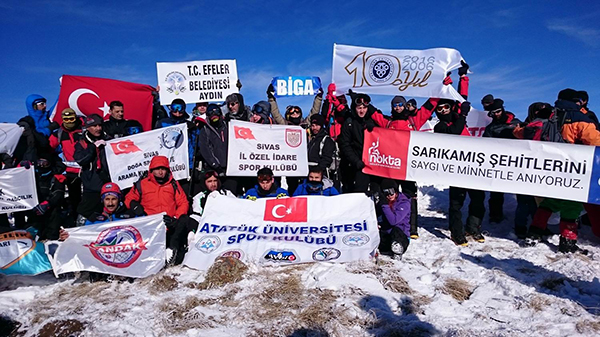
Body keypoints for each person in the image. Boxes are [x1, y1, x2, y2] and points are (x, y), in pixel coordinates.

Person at [513, 102, 586, 254]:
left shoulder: (539, 122)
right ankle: (567, 241)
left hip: (545, 169)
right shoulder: (557, 121)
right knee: (572, 204)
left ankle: (534, 233)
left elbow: (522, 134)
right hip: (565, 168)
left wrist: (517, 129)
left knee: (551, 202)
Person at [124, 156, 190, 264]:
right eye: (157, 169)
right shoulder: (142, 184)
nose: (160, 172)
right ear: (151, 170)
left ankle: (172, 249)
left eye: (163, 169)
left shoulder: (173, 184)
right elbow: (128, 199)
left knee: (184, 220)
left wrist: (175, 218)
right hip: (150, 225)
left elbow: (183, 202)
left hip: (170, 224)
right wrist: (135, 206)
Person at [482, 98, 522, 223]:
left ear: (503, 109)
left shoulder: (516, 123)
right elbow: (484, 144)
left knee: (522, 191)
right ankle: (495, 215)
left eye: (498, 111)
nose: (497, 114)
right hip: (499, 162)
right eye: (493, 112)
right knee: (496, 191)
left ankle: (523, 219)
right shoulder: (491, 127)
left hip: (517, 161)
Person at [338, 92, 379, 193]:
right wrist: (356, 161)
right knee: (359, 191)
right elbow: (345, 144)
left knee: (377, 191)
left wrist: (374, 128)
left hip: (375, 162)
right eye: (359, 108)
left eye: (364, 108)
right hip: (358, 164)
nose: (362, 111)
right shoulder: (349, 122)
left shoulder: (373, 120)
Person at [74, 114, 112, 220]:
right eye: (94, 126)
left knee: (109, 211)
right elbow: (81, 160)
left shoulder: (109, 139)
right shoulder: (82, 143)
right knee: (86, 212)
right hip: (92, 185)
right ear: (88, 127)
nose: (98, 128)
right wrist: (93, 147)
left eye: (100, 125)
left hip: (108, 182)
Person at [195, 104, 237, 195]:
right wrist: (215, 165)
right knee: (216, 195)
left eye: (216, 112)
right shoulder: (205, 130)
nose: (214, 115)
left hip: (231, 168)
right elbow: (205, 149)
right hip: (215, 169)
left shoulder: (229, 126)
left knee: (231, 195)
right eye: (211, 113)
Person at [49, 108, 83, 214]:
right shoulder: (59, 134)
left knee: (89, 197)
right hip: (70, 172)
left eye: (71, 119)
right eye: (66, 119)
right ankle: (75, 219)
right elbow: (48, 149)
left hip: (87, 169)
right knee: (74, 198)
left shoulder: (83, 130)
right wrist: (57, 163)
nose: (69, 122)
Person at [379, 179, 411, 260]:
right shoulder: (383, 202)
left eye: (391, 191)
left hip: (401, 235)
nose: (389, 195)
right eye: (386, 193)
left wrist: (385, 206)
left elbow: (394, 221)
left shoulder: (404, 203)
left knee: (396, 230)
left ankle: (397, 250)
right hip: (387, 233)